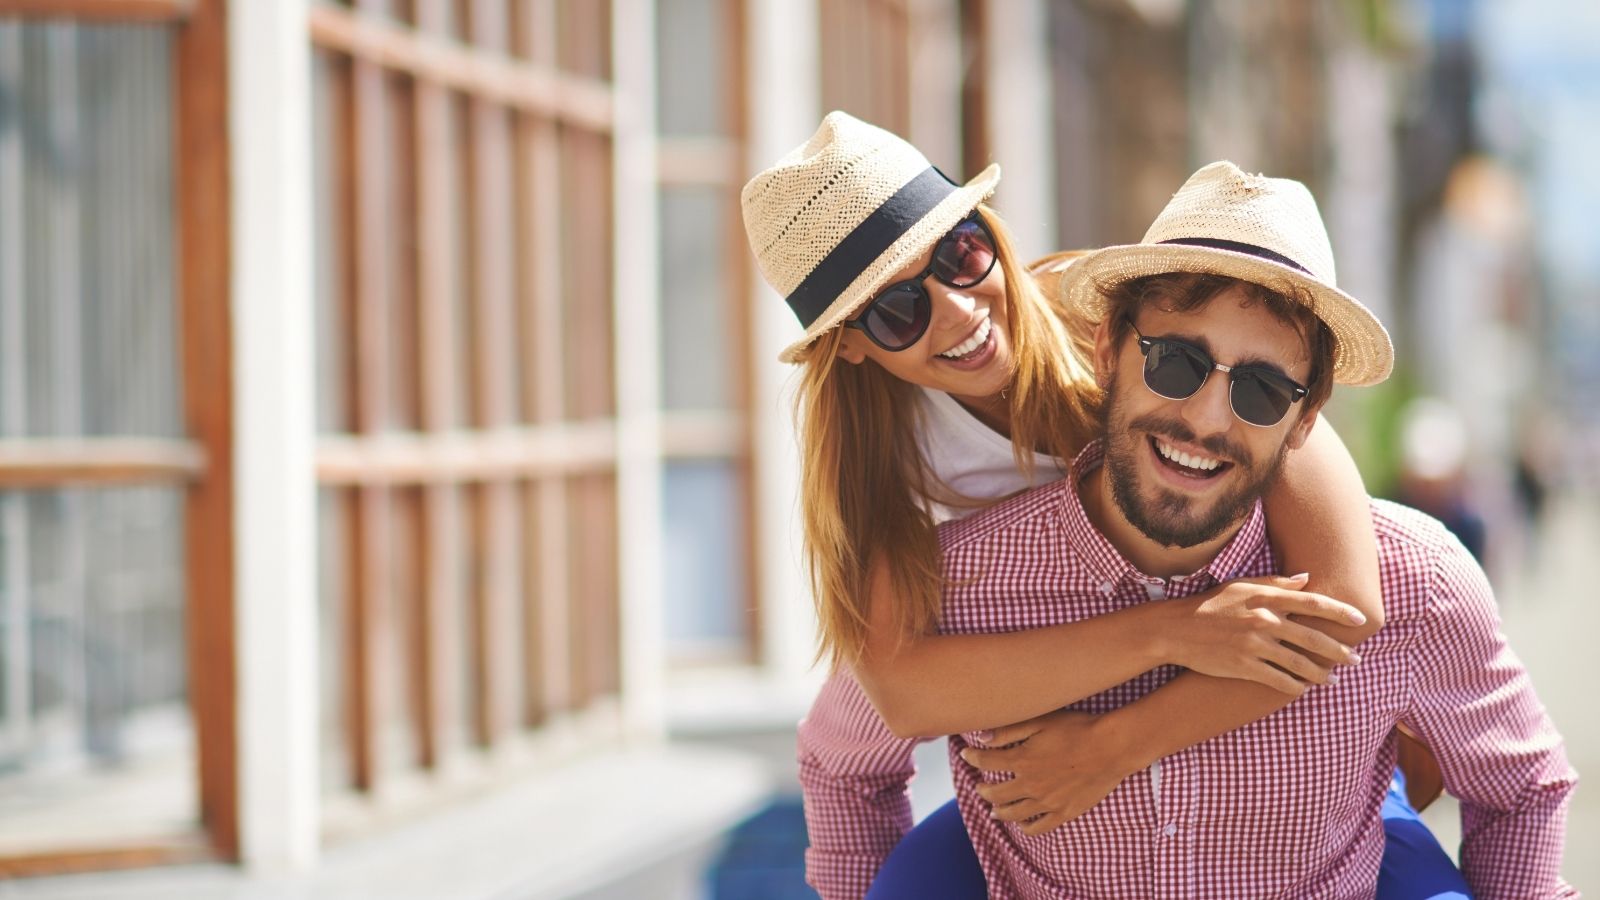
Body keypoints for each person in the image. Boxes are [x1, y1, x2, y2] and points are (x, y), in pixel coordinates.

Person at [794, 159, 1577, 897]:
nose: (956, 310)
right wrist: (1172, 632)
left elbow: (1353, 604)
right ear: (1112, 351)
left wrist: (1114, 743)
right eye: (1174, 364)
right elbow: (877, 716)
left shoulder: (1410, 573)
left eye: (959, 256)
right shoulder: (922, 536)